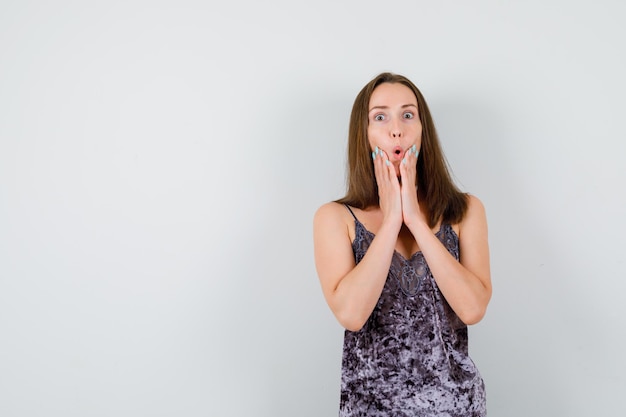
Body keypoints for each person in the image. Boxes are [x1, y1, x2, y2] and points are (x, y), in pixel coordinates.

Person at [313, 72, 492, 416]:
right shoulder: (334, 218)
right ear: (363, 135)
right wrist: (391, 220)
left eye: (408, 115)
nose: (396, 129)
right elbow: (351, 314)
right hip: (370, 408)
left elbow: (473, 309)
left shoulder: (466, 210)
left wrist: (415, 220)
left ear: (423, 130)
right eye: (380, 117)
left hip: (456, 406)